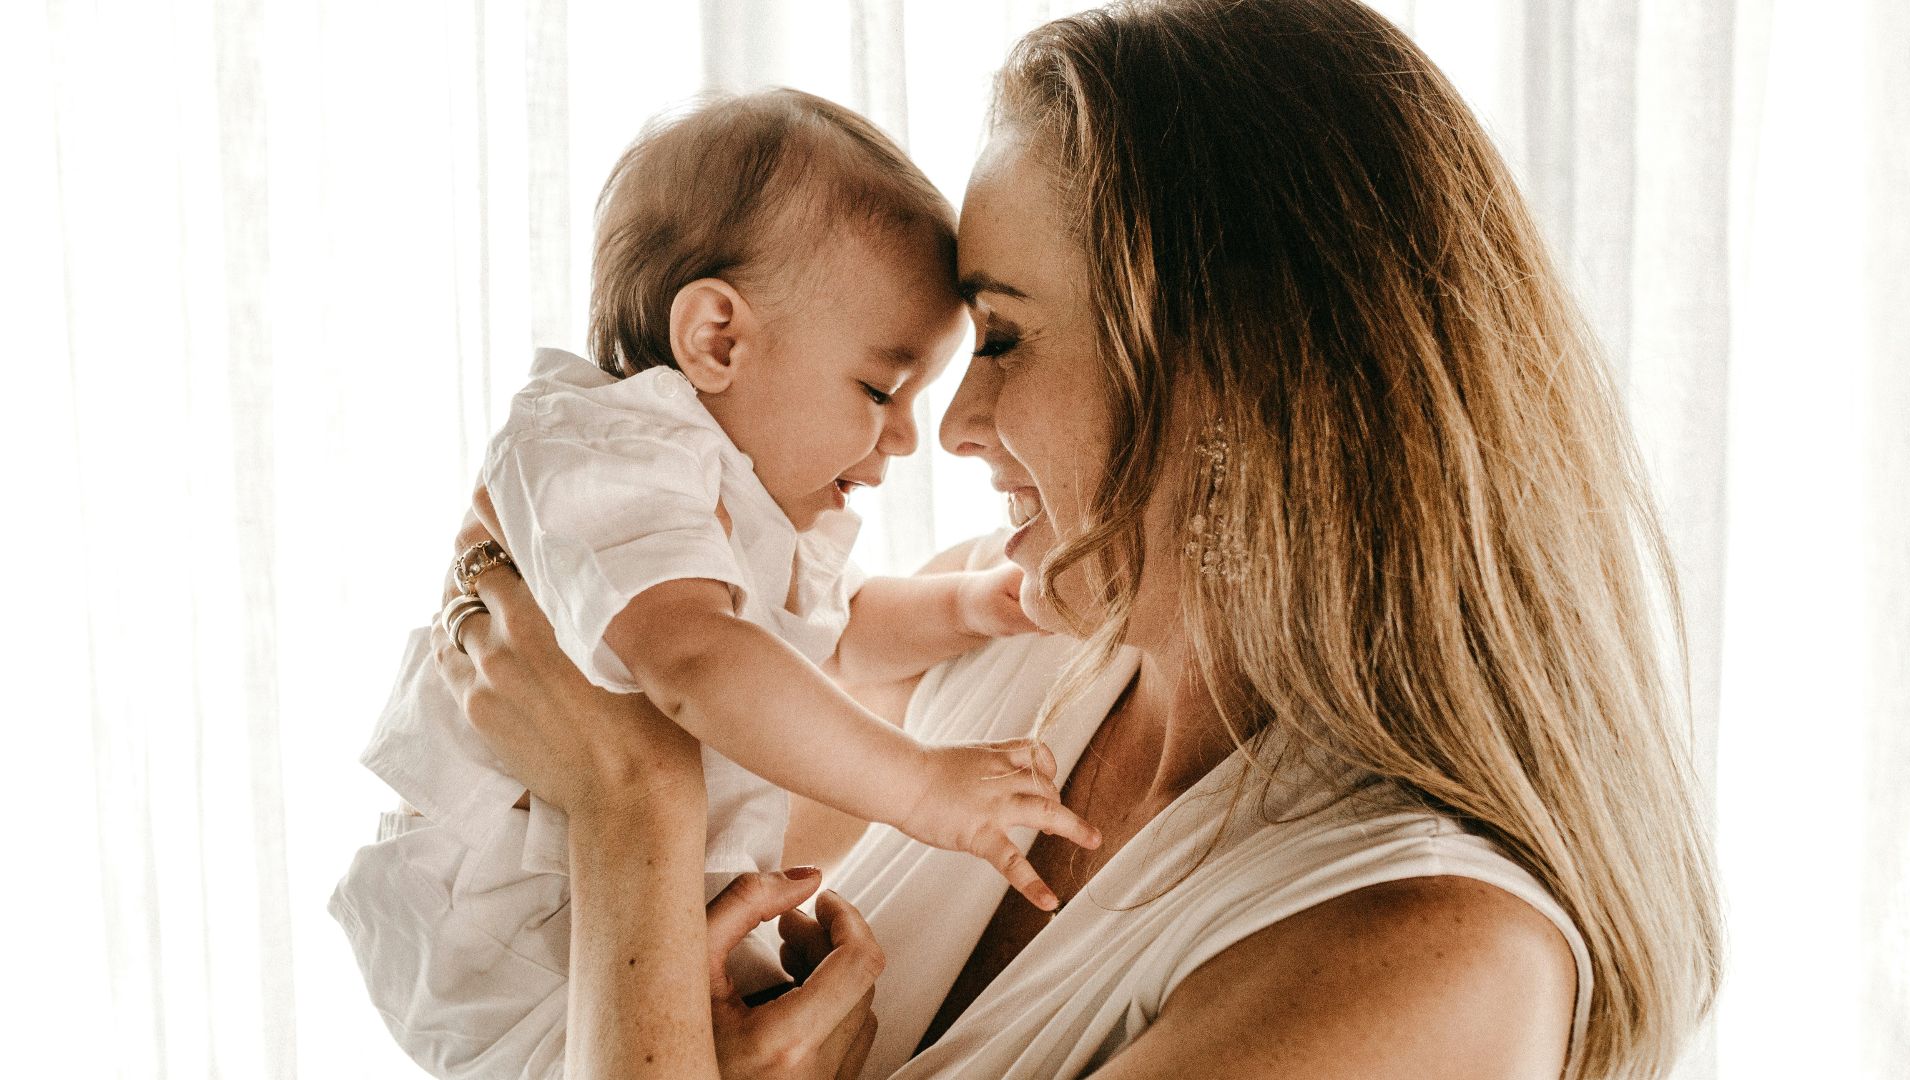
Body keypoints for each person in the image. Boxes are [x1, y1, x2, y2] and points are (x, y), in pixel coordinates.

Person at [332, 1, 1724, 1077]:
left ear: (1235, 367)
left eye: (998, 337)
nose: (951, 428)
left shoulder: (1428, 960)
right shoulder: (979, 660)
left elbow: (647, 865)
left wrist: (630, 800)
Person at [353, 85, 1099, 1001]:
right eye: (879, 390)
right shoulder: (605, 449)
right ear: (716, 340)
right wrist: (920, 787)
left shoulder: (734, 492)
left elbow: (837, 626)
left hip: (609, 905)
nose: (911, 436)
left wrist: (964, 606)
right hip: (510, 929)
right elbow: (699, 658)